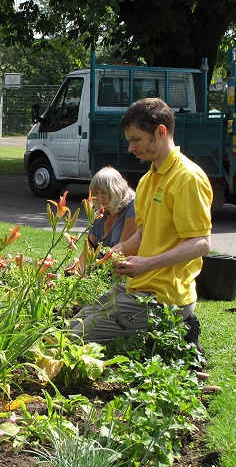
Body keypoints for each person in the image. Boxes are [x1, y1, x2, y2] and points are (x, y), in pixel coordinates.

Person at [69, 98, 213, 347]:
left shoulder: (187, 178)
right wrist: (116, 251)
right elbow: (142, 236)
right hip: (135, 288)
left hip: (164, 298)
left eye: (136, 140)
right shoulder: (147, 181)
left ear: (160, 132)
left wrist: (147, 264)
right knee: (71, 324)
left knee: (73, 338)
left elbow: (201, 244)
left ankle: (179, 332)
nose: (130, 148)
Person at [66, 166, 136, 274]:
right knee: (71, 270)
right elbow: (87, 252)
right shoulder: (98, 216)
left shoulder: (132, 206)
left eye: (104, 193)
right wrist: (80, 275)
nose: (100, 199)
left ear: (116, 191)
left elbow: (123, 254)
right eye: (96, 194)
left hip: (119, 271)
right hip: (101, 269)